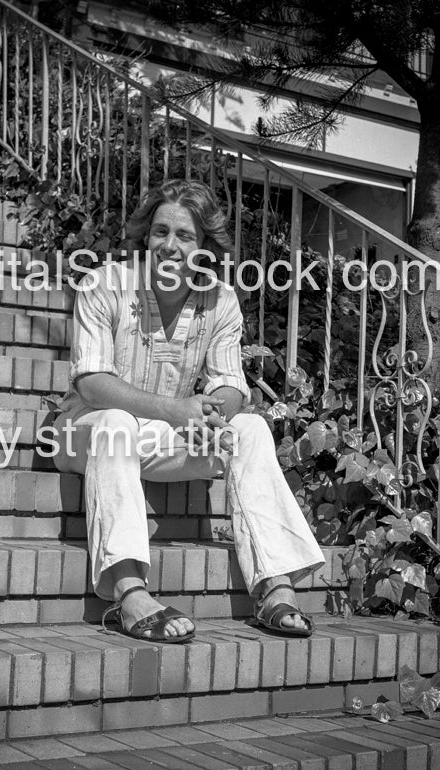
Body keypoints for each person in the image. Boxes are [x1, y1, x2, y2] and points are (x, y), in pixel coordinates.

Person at [53, 179, 325, 643]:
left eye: (184, 235)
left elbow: (229, 384)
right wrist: (175, 410)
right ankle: (129, 594)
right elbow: (91, 383)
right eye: (161, 231)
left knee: (250, 429)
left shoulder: (220, 300)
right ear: (146, 235)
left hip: (160, 438)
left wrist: (212, 415)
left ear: (204, 247)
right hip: (87, 431)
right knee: (116, 424)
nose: (170, 246)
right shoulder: (104, 284)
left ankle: (275, 587)